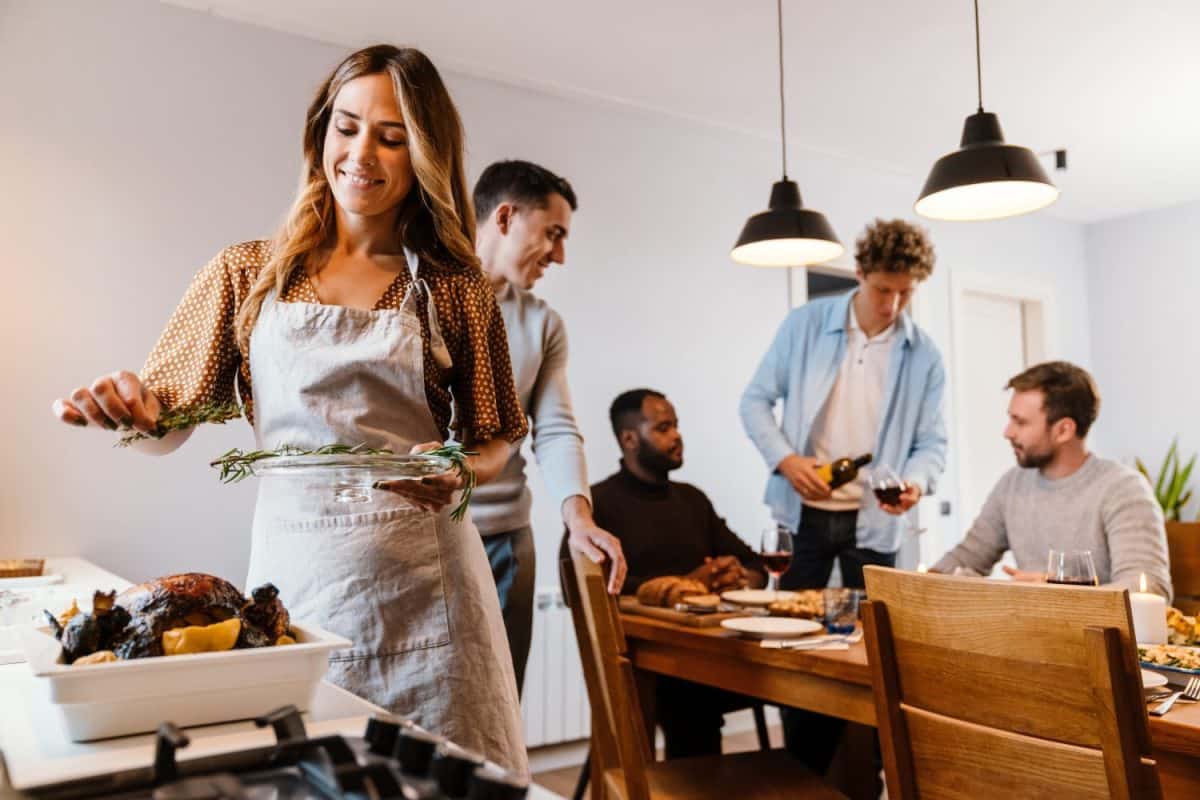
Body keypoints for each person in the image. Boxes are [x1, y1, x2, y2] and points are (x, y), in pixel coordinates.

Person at [50, 45, 528, 774]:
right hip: (300, 583)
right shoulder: (249, 272)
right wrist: (129, 413)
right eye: (347, 126)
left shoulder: (454, 287)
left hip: (431, 599)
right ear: (320, 133)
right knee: (307, 776)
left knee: (446, 781)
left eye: (391, 137)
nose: (361, 153)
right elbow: (164, 422)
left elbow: (497, 438)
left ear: (425, 154)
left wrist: (462, 472)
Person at [739, 218, 948, 777]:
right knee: (795, 646)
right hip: (801, 513)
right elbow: (754, 402)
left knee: (876, 654)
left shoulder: (924, 354)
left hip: (875, 523)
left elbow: (932, 443)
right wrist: (786, 459)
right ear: (859, 274)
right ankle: (801, 773)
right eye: (884, 289)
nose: (894, 304)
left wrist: (918, 484)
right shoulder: (805, 324)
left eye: (906, 292)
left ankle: (874, 777)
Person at [471, 160, 626, 697]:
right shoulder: (415, 297)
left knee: (499, 703)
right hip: (424, 540)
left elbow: (556, 428)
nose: (559, 255)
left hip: (508, 545)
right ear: (506, 217)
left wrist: (577, 516)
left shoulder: (543, 324)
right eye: (553, 234)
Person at [562, 388, 765, 758]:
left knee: (820, 705)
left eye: (677, 426)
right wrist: (686, 586)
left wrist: (736, 578)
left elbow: (754, 566)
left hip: (711, 652)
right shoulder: (597, 506)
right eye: (664, 428)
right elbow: (580, 589)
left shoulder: (692, 500)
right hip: (641, 664)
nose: (677, 437)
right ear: (629, 439)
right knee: (692, 697)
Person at [933, 361, 1172, 598]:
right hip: (1026, 632)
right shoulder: (1012, 485)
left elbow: (1150, 591)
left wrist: (1059, 593)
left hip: (1093, 636)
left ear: (1063, 430)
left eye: (1021, 422)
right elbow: (964, 559)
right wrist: (924, 581)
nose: (1008, 432)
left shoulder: (1122, 489)